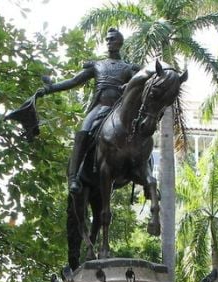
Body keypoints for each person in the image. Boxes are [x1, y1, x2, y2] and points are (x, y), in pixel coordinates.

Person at [33, 27, 142, 194]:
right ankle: (74, 177)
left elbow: (141, 83)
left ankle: (145, 174)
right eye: (107, 39)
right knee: (83, 132)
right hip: (99, 108)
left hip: (119, 111)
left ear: (120, 42)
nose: (109, 42)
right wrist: (50, 88)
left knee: (141, 136)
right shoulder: (98, 65)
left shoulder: (129, 68)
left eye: (112, 39)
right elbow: (74, 80)